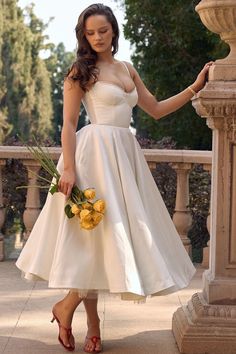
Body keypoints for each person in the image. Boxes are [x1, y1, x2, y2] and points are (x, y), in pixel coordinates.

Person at [15, 3, 214, 353]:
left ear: (113, 31)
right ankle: (88, 321)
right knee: (92, 241)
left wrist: (195, 87)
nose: (96, 38)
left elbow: (155, 109)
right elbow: (69, 125)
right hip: (94, 156)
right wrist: (70, 169)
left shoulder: (127, 68)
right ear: (84, 35)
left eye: (102, 31)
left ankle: (73, 312)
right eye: (90, 33)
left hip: (124, 157)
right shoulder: (80, 71)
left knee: (108, 241)